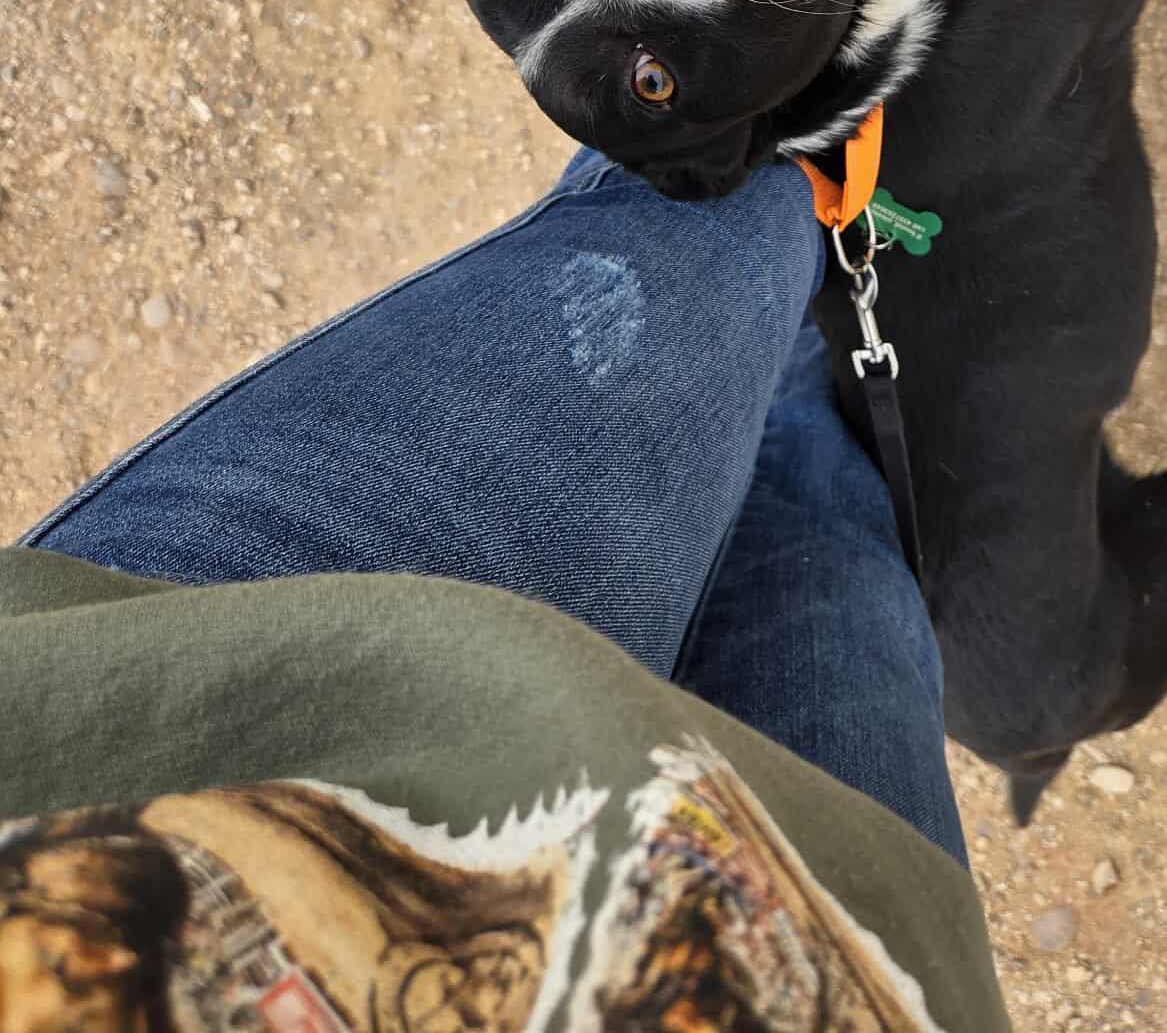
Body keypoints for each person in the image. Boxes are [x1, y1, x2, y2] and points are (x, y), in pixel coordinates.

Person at [1, 152, 1008, 1032]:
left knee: (721, 216)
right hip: (856, 949)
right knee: (826, 533)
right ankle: (810, 322)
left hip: (135, 724)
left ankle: (810, 278)